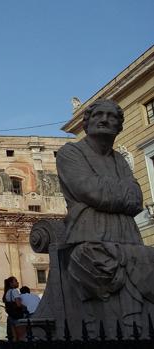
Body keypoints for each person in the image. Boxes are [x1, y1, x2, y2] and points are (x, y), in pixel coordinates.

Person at [56, 99, 154, 333]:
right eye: (98, 115)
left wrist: (106, 192)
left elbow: (136, 198)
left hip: (127, 236)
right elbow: (88, 190)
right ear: (87, 123)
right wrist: (119, 194)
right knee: (100, 263)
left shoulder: (119, 159)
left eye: (111, 117)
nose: (104, 120)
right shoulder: (70, 153)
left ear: (119, 126)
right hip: (87, 237)